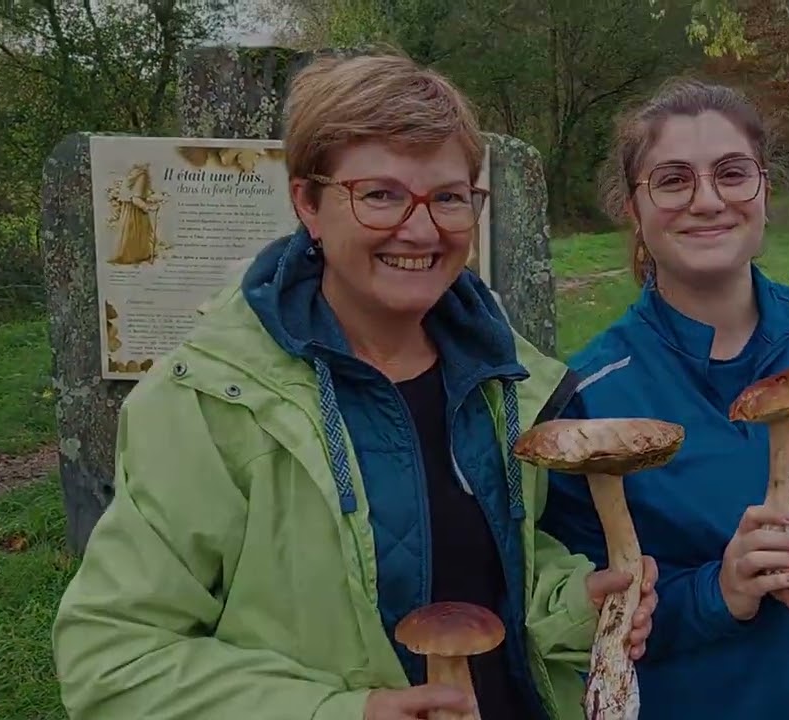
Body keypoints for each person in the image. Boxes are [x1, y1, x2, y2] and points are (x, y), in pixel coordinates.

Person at [51, 51, 658, 720]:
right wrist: (346, 712)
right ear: (308, 203)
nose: (421, 229)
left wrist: (577, 607)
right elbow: (112, 661)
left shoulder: (505, 378)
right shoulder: (210, 403)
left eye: (449, 197)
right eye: (380, 195)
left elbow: (496, 572)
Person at [538, 78, 789, 719]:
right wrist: (718, 591)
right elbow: (596, 616)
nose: (708, 201)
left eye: (732, 173)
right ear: (632, 207)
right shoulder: (591, 397)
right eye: (673, 180)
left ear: (763, 187)